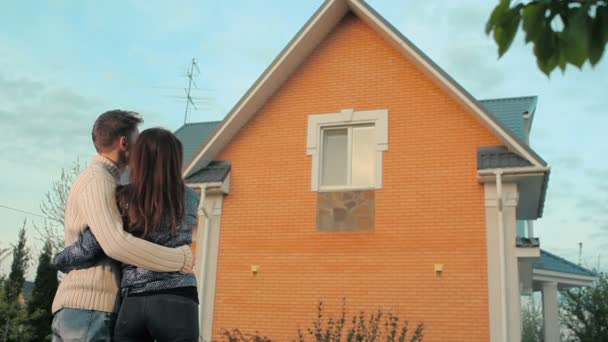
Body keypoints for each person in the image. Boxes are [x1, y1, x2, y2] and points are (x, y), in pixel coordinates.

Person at [51, 111, 195, 342]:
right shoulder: (98, 181)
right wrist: (180, 260)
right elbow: (113, 243)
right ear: (124, 143)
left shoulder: (114, 185)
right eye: (138, 143)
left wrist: (62, 259)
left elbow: (96, 242)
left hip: (90, 308)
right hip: (90, 308)